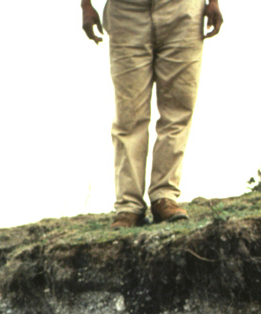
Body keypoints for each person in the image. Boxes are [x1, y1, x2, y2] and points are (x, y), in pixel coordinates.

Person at [81, 0, 223, 228]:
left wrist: (214, 2)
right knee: (129, 114)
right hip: (126, 11)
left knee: (178, 108)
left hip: (182, 10)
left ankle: (164, 196)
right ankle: (128, 207)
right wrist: (86, 6)